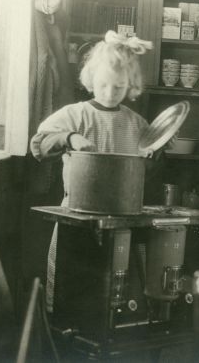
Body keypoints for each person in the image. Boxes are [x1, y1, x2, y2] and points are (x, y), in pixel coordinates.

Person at [30, 30, 157, 312]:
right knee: (71, 285)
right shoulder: (75, 114)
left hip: (124, 217)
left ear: (131, 86)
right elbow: (38, 144)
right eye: (103, 85)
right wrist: (69, 137)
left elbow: (146, 160)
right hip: (78, 215)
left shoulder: (136, 123)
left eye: (119, 87)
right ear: (90, 80)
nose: (110, 93)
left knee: (117, 289)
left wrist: (158, 146)